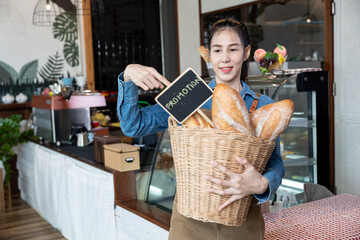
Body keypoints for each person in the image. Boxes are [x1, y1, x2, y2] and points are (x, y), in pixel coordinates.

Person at [117, 18, 285, 240]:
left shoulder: (262, 104)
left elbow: (275, 162)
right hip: (190, 222)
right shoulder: (190, 94)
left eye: (233, 49)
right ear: (209, 55)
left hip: (243, 221)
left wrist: (263, 183)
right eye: (217, 50)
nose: (224, 58)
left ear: (246, 53)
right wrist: (128, 75)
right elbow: (133, 125)